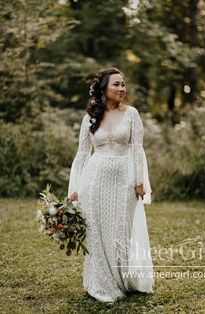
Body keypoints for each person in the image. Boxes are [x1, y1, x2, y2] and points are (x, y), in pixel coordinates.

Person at [68, 67, 154, 303]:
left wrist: (139, 181)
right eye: (116, 84)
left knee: (120, 230)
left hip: (124, 181)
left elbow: (137, 149)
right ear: (103, 88)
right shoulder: (90, 118)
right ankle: (101, 281)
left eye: (123, 84)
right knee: (96, 230)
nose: (122, 89)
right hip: (93, 181)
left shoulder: (132, 114)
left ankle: (122, 278)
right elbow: (82, 154)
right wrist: (75, 187)